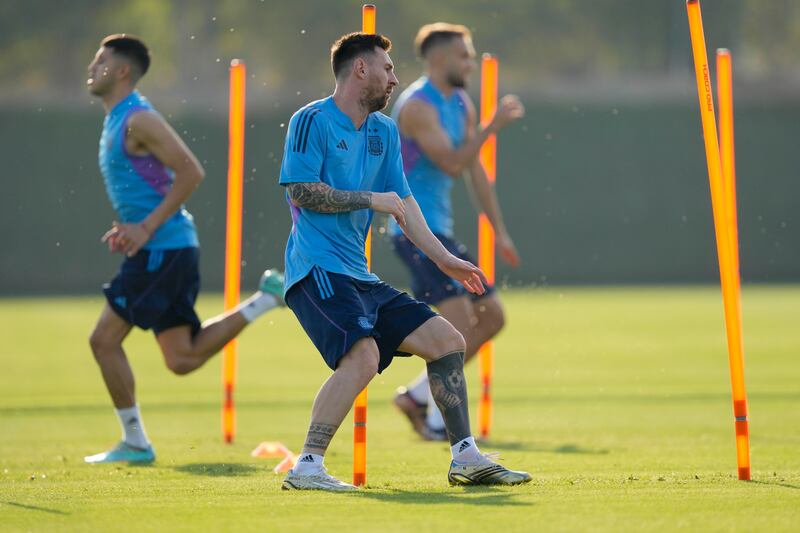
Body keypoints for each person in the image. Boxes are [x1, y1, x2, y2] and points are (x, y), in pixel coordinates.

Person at [278, 32, 531, 491]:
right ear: (360, 69)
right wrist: (369, 198)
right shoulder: (310, 120)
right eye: (388, 69)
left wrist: (446, 258)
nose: (395, 78)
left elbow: (405, 204)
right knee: (364, 356)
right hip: (316, 271)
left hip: (358, 273)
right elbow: (302, 192)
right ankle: (308, 466)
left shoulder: (384, 131)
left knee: (448, 340)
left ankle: (465, 457)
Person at [84, 34, 283, 464]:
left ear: (122, 71)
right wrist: (131, 228)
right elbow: (144, 190)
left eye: (100, 61)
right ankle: (265, 300)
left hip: (163, 248)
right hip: (167, 248)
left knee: (103, 341)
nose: (91, 67)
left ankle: (135, 442)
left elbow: (191, 171)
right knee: (181, 358)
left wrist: (146, 228)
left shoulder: (138, 118)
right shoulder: (117, 118)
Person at [389, 23, 524, 441]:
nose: (471, 63)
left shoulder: (461, 102)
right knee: (460, 323)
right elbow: (451, 162)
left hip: (441, 231)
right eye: (465, 56)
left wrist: (499, 230)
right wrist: (491, 128)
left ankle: (416, 397)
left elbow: (472, 167)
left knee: (493, 317)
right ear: (439, 59)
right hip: (413, 228)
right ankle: (436, 421)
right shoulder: (417, 106)